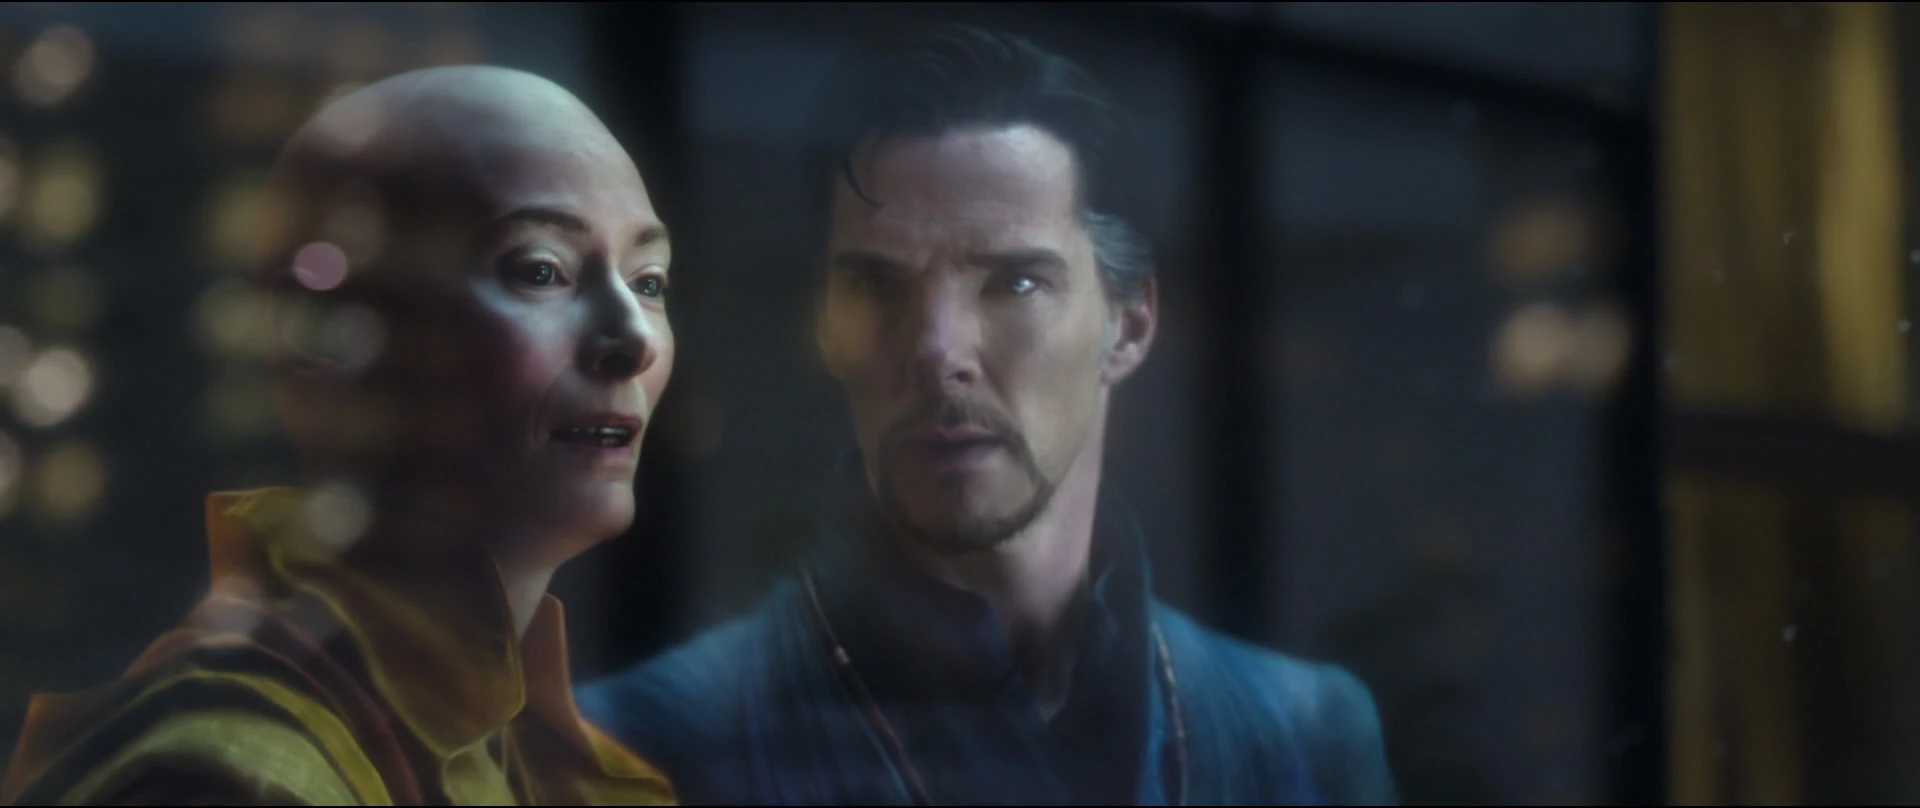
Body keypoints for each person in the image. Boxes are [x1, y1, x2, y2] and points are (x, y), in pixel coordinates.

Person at [578, 24, 1397, 806]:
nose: (938, 349)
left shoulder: (1306, 733)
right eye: (878, 284)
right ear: (827, 322)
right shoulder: (639, 744)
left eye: (1015, 282)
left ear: (1128, 325)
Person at [2, 65, 678, 806]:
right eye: (541, 271)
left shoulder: (547, 765)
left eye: (648, 281)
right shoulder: (230, 778)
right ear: (327, 334)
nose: (633, 339)